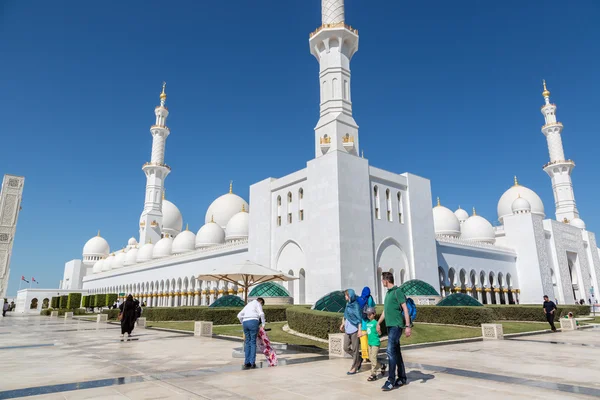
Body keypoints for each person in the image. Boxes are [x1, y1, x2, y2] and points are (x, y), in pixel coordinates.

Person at [377, 272, 411, 391]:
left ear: (386, 280)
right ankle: (402, 377)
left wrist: (407, 326)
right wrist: (378, 322)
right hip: (390, 326)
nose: (382, 282)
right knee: (396, 352)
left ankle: (391, 380)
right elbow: (385, 312)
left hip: (397, 326)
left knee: (390, 351)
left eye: (382, 280)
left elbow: (405, 309)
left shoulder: (397, 292)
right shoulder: (388, 294)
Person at [237, 297, 266, 369]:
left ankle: (247, 362)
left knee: (247, 342)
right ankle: (252, 362)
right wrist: (263, 325)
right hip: (253, 322)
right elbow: (261, 314)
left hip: (245, 323)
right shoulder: (258, 303)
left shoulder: (248, 304)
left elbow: (239, 315)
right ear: (261, 302)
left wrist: (242, 323)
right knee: (253, 342)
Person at [340, 289, 362, 375]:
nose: (345, 297)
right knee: (345, 347)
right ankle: (358, 359)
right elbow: (345, 315)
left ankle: (354, 367)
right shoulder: (348, 304)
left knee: (356, 349)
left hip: (355, 330)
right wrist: (343, 324)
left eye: (346, 295)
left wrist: (359, 330)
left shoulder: (356, 306)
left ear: (350, 296)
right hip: (347, 329)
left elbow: (359, 319)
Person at [360, 307, 386, 381]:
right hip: (370, 343)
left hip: (375, 343)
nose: (368, 316)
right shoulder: (368, 323)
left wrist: (379, 331)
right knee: (371, 358)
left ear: (374, 314)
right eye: (367, 315)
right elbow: (368, 332)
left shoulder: (375, 323)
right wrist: (362, 334)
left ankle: (373, 374)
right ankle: (382, 366)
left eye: (369, 314)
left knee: (373, 358)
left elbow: (379, 332)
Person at [357, 286, 376, 362]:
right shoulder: (370, 298)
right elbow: (373, 306)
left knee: (363, 342)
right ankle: (370, 355)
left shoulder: (359, 299)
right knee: (369, 340)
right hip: (369, 322)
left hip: (362, 323)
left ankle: (364, 357)